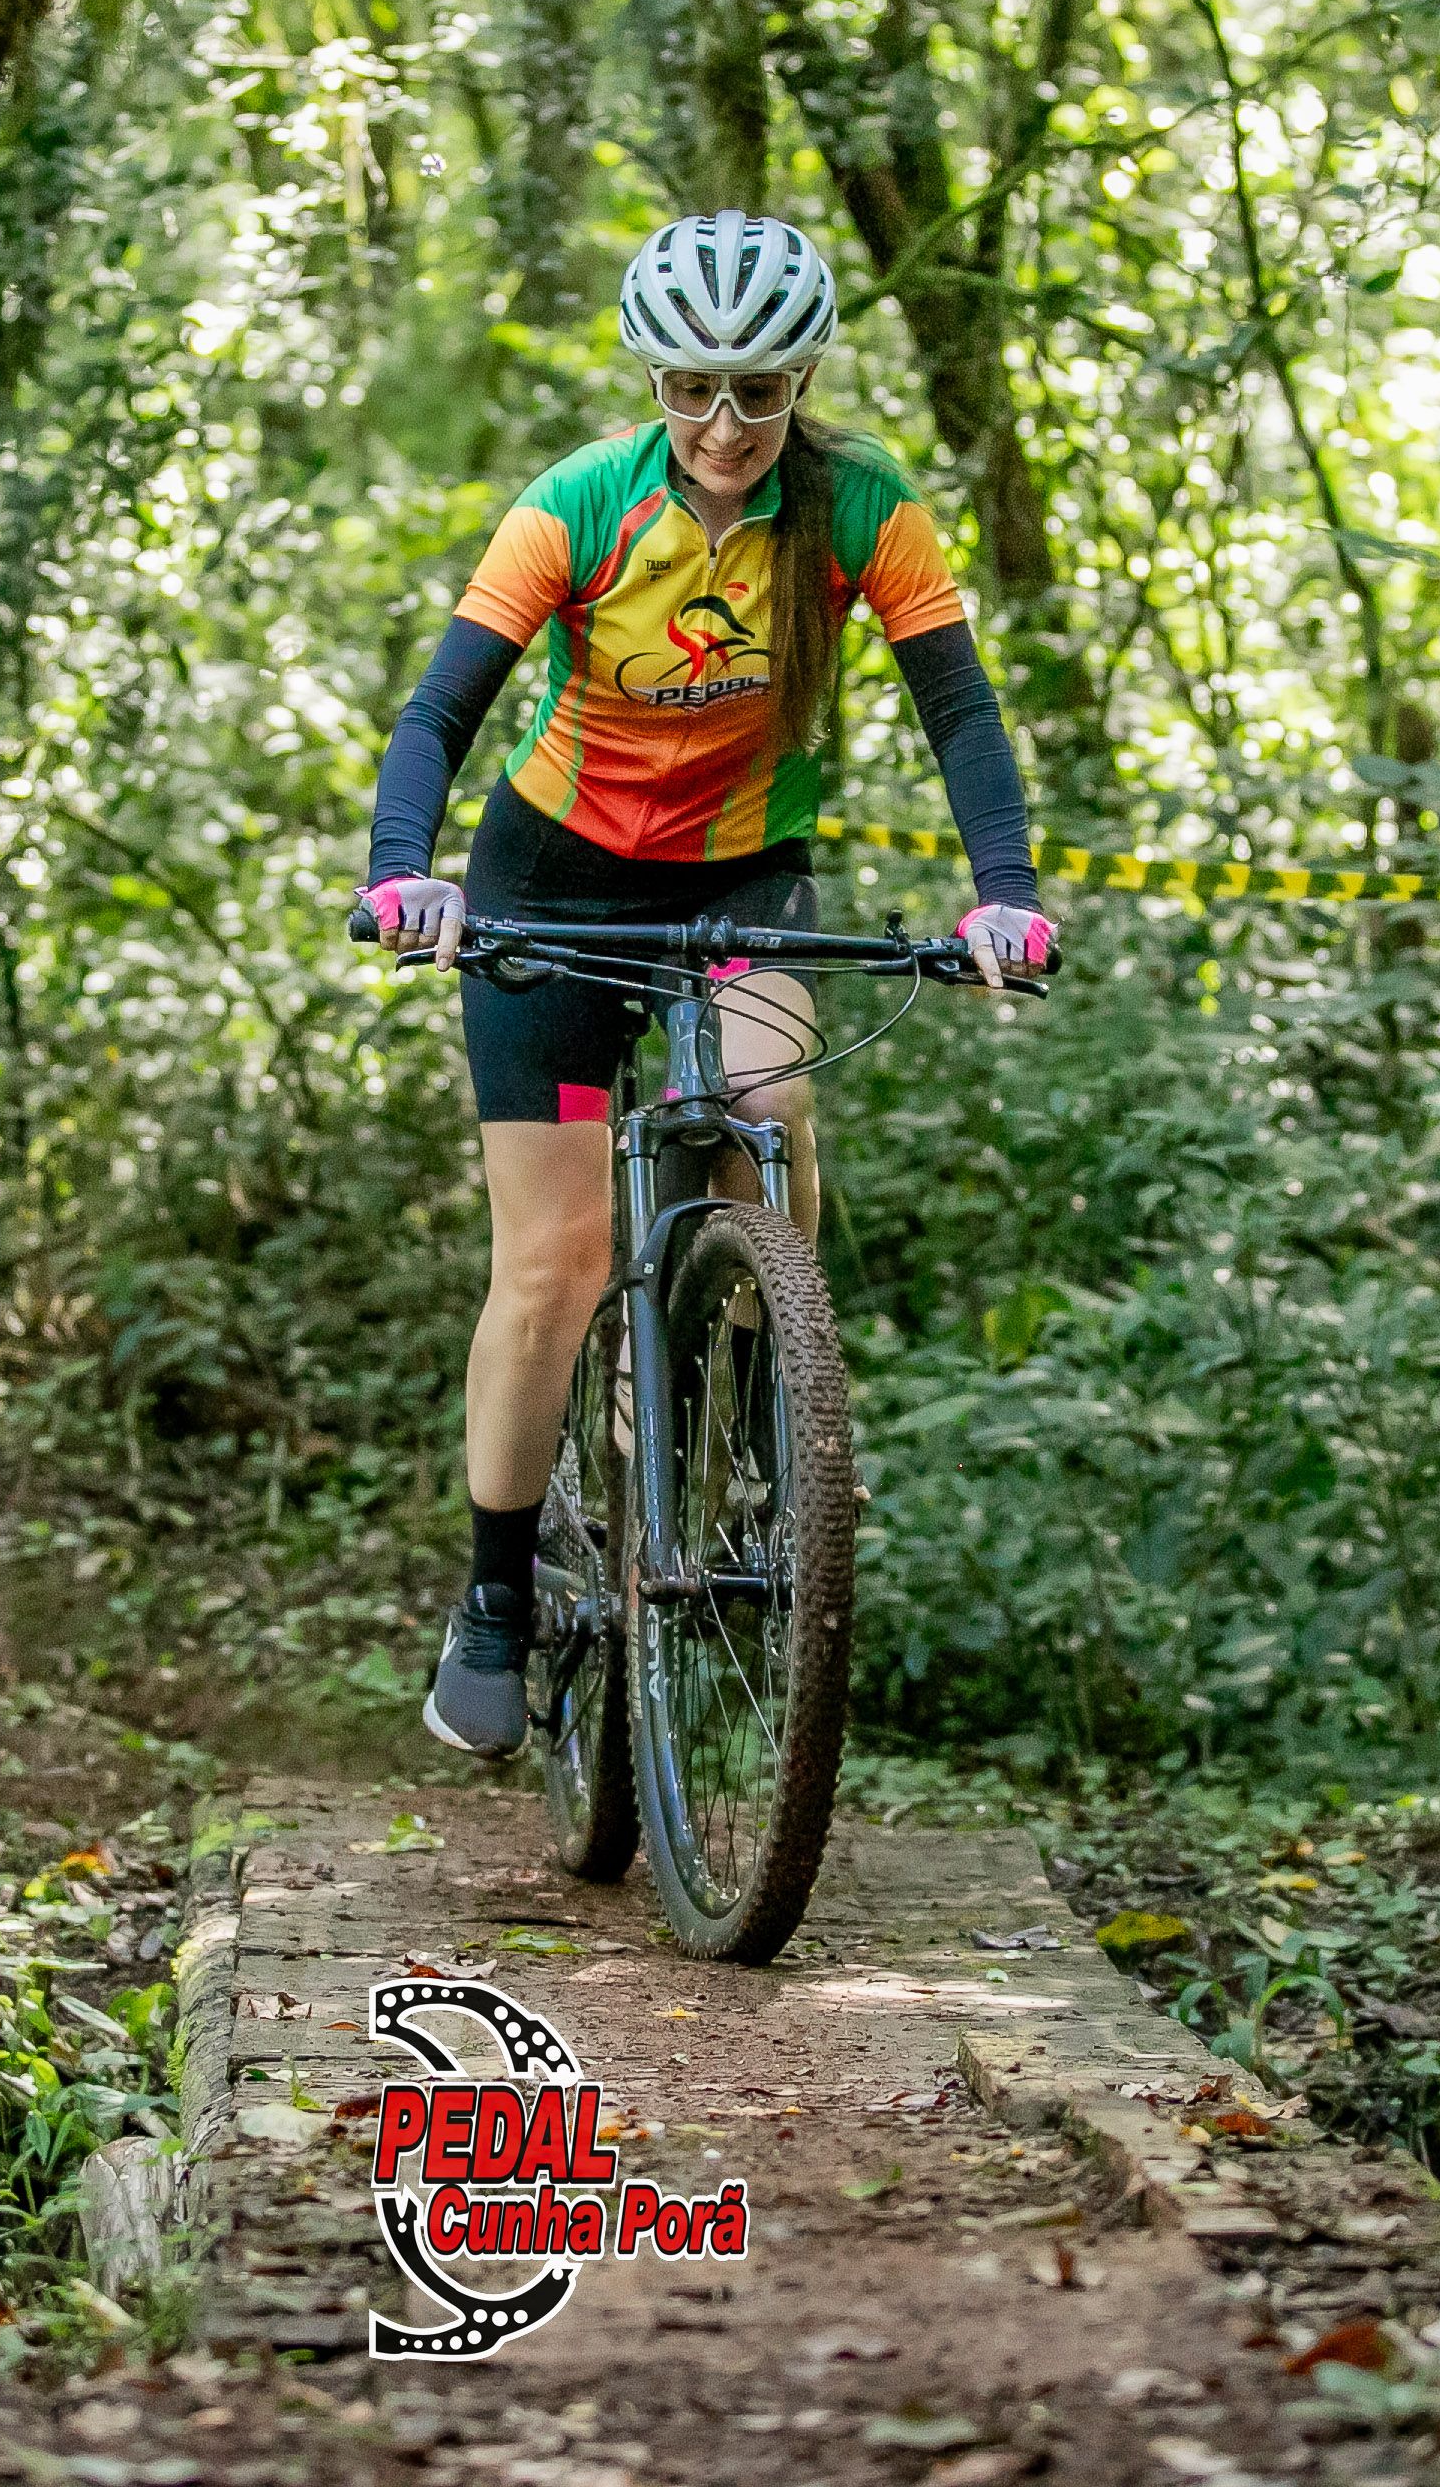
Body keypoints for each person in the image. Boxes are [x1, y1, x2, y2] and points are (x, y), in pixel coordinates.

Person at [360, 214, 1058, 1761]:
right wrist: (408, 870)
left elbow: (960, 710)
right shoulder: (578, 506)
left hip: (742, 884)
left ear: (804, 379)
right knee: (554, 1262)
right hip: (552, 887)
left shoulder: (862, 507)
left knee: (769, 1094)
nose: (727, 426)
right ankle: (495, 1598)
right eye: (693, 389)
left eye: (760, 390)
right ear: (654, 382)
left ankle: (746, 1396)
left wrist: (1003, 893)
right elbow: (440, 712)